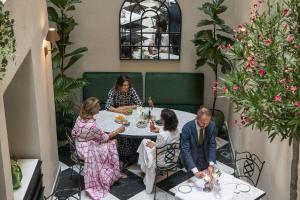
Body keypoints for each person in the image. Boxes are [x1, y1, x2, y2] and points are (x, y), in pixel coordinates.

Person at [71, 97, 127, 200]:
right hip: (87, 151)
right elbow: (105, 138)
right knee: (114, 142)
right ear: (92, 110)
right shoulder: (92, 125)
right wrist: (118, 130)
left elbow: (74, 132)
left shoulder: (80, 117)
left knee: (108, 141)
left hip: (80, 145)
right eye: (98, 106)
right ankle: (115, 171)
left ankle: (114, 168)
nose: (100, 107)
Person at [105, 75, 154, 166]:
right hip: (117, 117)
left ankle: (136, 153)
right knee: (122, 131)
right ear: (119, 85)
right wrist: (120, 110)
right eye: (124, 85)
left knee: (136, 129)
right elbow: (107, 106)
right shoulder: (113, 91)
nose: (126, 87)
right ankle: (125, 155)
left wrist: (123, 107)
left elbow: (139, 103)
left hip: (131, 115)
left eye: (127, 85)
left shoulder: (131, 90)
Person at [137, 109, 180, 193]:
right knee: (147, 142)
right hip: (173, 158)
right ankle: (143, 167)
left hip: (161, 161)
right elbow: (167, 142)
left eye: (161, 118)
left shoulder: (162, 135)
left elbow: (155, 151)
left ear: (165, 121)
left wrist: (152, 145)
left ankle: (143, 168)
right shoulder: (176, 130)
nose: (160, 120)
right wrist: (159, 131)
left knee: (144, 141)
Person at [180, 107, 217, 179]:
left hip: (206, 158)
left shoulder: (212, 126)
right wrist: (195, 171)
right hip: (192, 159)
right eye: (203, 123)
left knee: (212, 178)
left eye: (207, 122)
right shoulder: (187, 128)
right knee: (193, 181)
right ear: (197, 118)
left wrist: (211, 164)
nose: (205, 125)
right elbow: (185, 150)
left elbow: (212, 145)